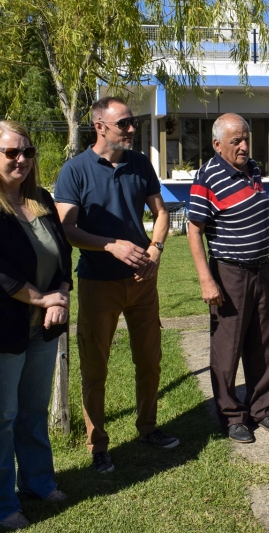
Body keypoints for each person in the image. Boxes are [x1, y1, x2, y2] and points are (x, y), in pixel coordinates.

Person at [0, 121, 73, 529]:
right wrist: (40, 298)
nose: (21, 159)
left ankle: (38, 482)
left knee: (33, 411)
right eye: (11, 152)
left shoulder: (40, 198)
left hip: (44, 326)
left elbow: (62, 253)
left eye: (27, 151)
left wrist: (62, 292)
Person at [54, 97, 176, 474]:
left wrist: (154, 251)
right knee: (95, 368)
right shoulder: (75, 171)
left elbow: (161, 212)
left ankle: (148, 428)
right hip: (97, 284)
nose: (131, 129)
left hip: (141, 282)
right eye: (124, 123)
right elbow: (67, 228)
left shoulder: (140, 165)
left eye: (132, 122)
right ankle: (98, 445)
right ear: (100, 127)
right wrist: (110, 244)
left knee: (150, 360)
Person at [187, 113, 269, 443]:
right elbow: (194, 229)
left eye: (246, 138)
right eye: (236, 141)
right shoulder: (208, 177)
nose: (244, 146)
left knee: (264, 343)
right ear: (217, 145)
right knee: (227, 347)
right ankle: (232, 416)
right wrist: (206, 279)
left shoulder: (253, 169)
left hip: (261, 269)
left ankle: (261, 408)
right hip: (229, 272)